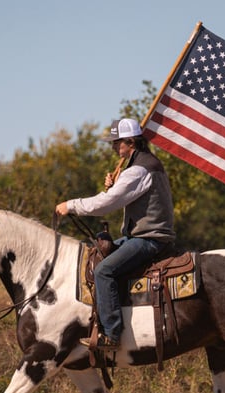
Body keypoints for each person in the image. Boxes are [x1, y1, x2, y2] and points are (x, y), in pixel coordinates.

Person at [55, 118, 175, 349]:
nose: (113, 147)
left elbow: (105, 204)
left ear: (131, 142)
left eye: (116, 142)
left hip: (149, 239)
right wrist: (115, 186)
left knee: (103, 271)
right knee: (96, 256)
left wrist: (71, 205)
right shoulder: (143, 164)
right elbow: (121, 196)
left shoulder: (138, 170)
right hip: (143, 236)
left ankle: (111, 334)